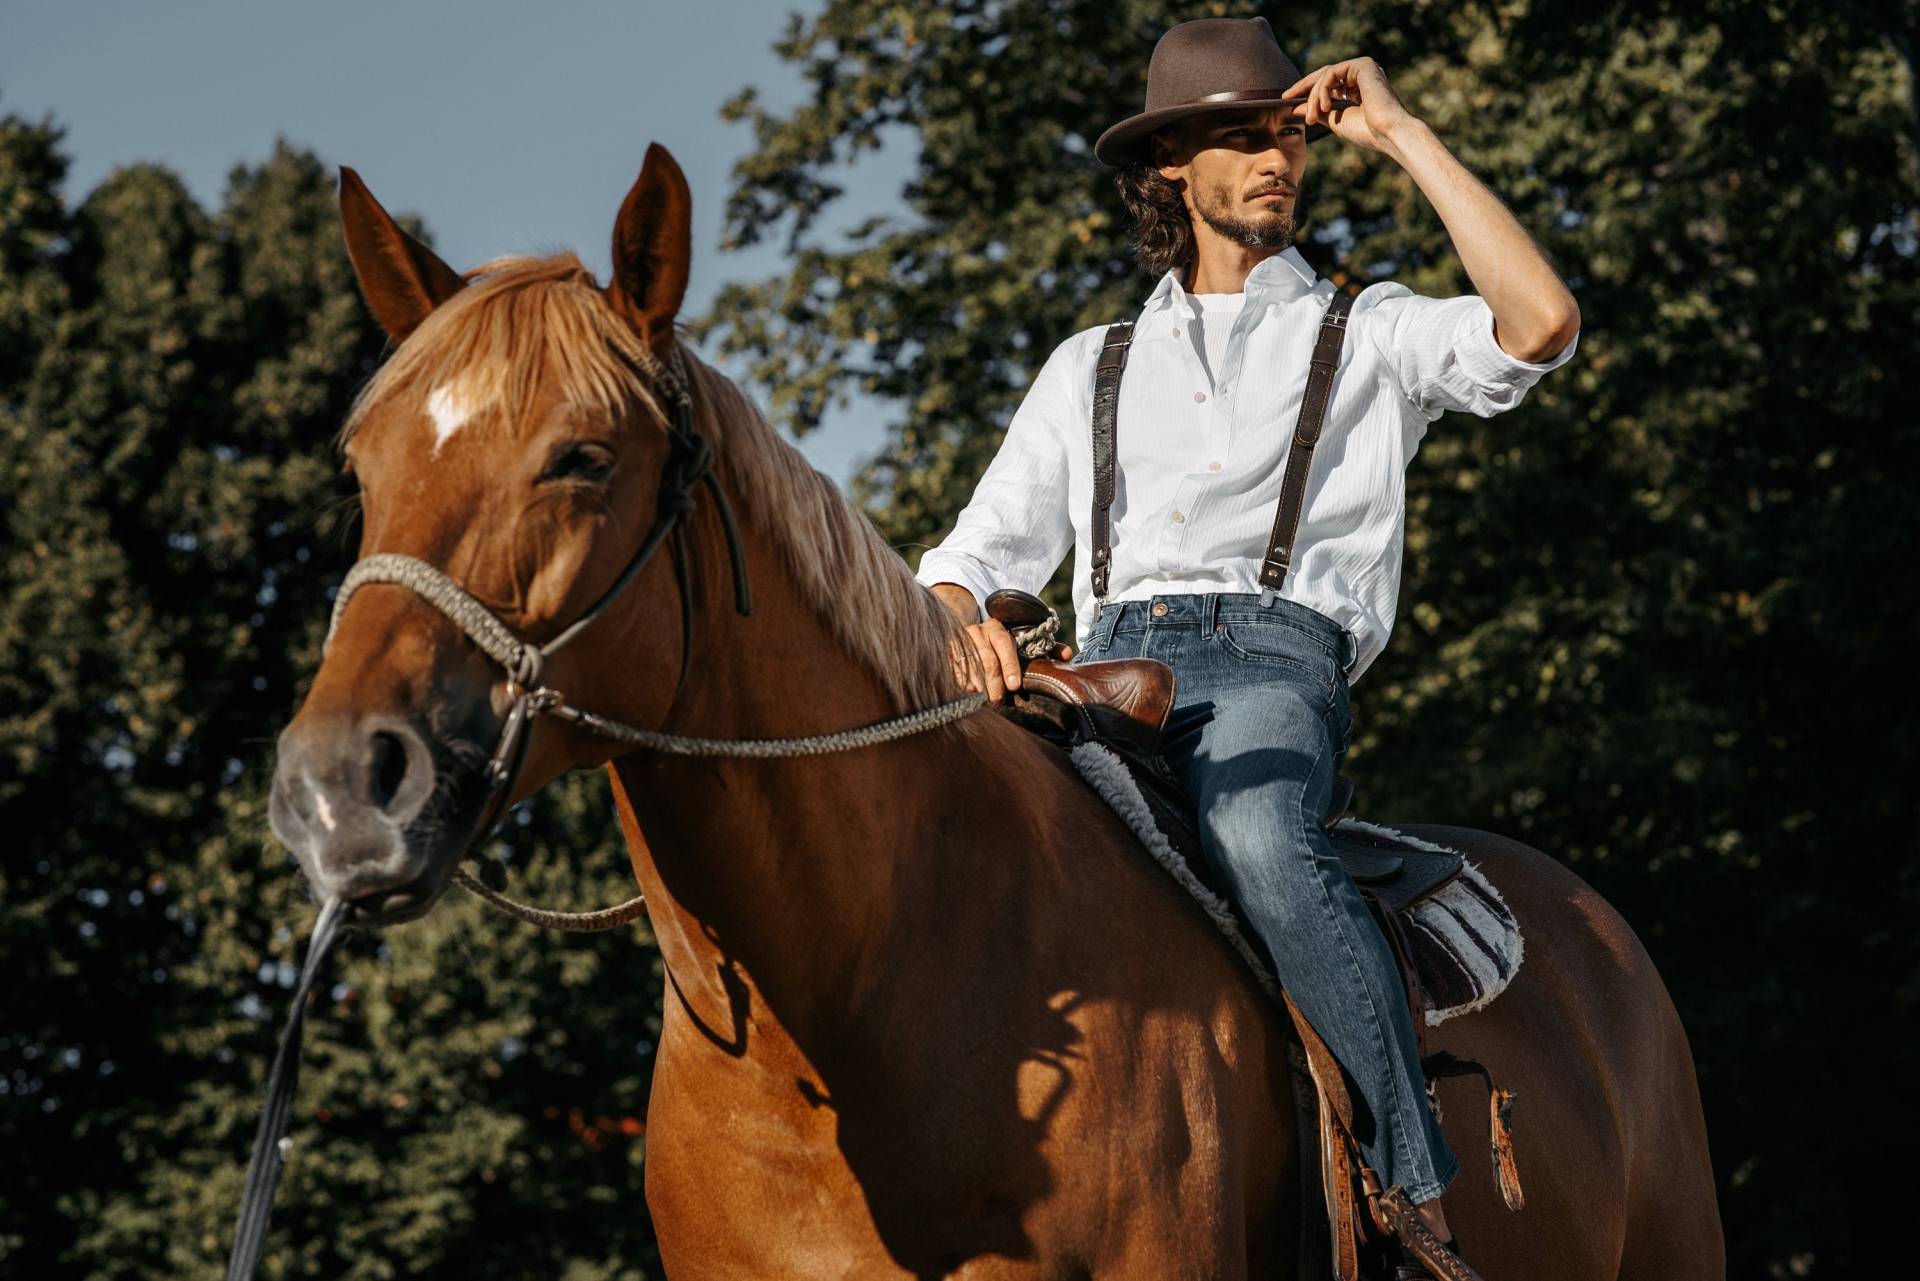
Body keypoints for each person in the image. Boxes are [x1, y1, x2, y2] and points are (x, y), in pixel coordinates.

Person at [913, 14, 1580, 1273]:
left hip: (1274, 669)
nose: (1275, 154)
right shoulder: (1088, 367)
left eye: (1285, 129)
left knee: (1263, 837)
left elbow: (1539, 324)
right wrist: (959, 612)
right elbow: (974, 553)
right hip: (1098, 673)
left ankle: (1406, 1198)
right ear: (1171, 164)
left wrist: (1400, 131)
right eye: (1237, 134)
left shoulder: (1369, 331)